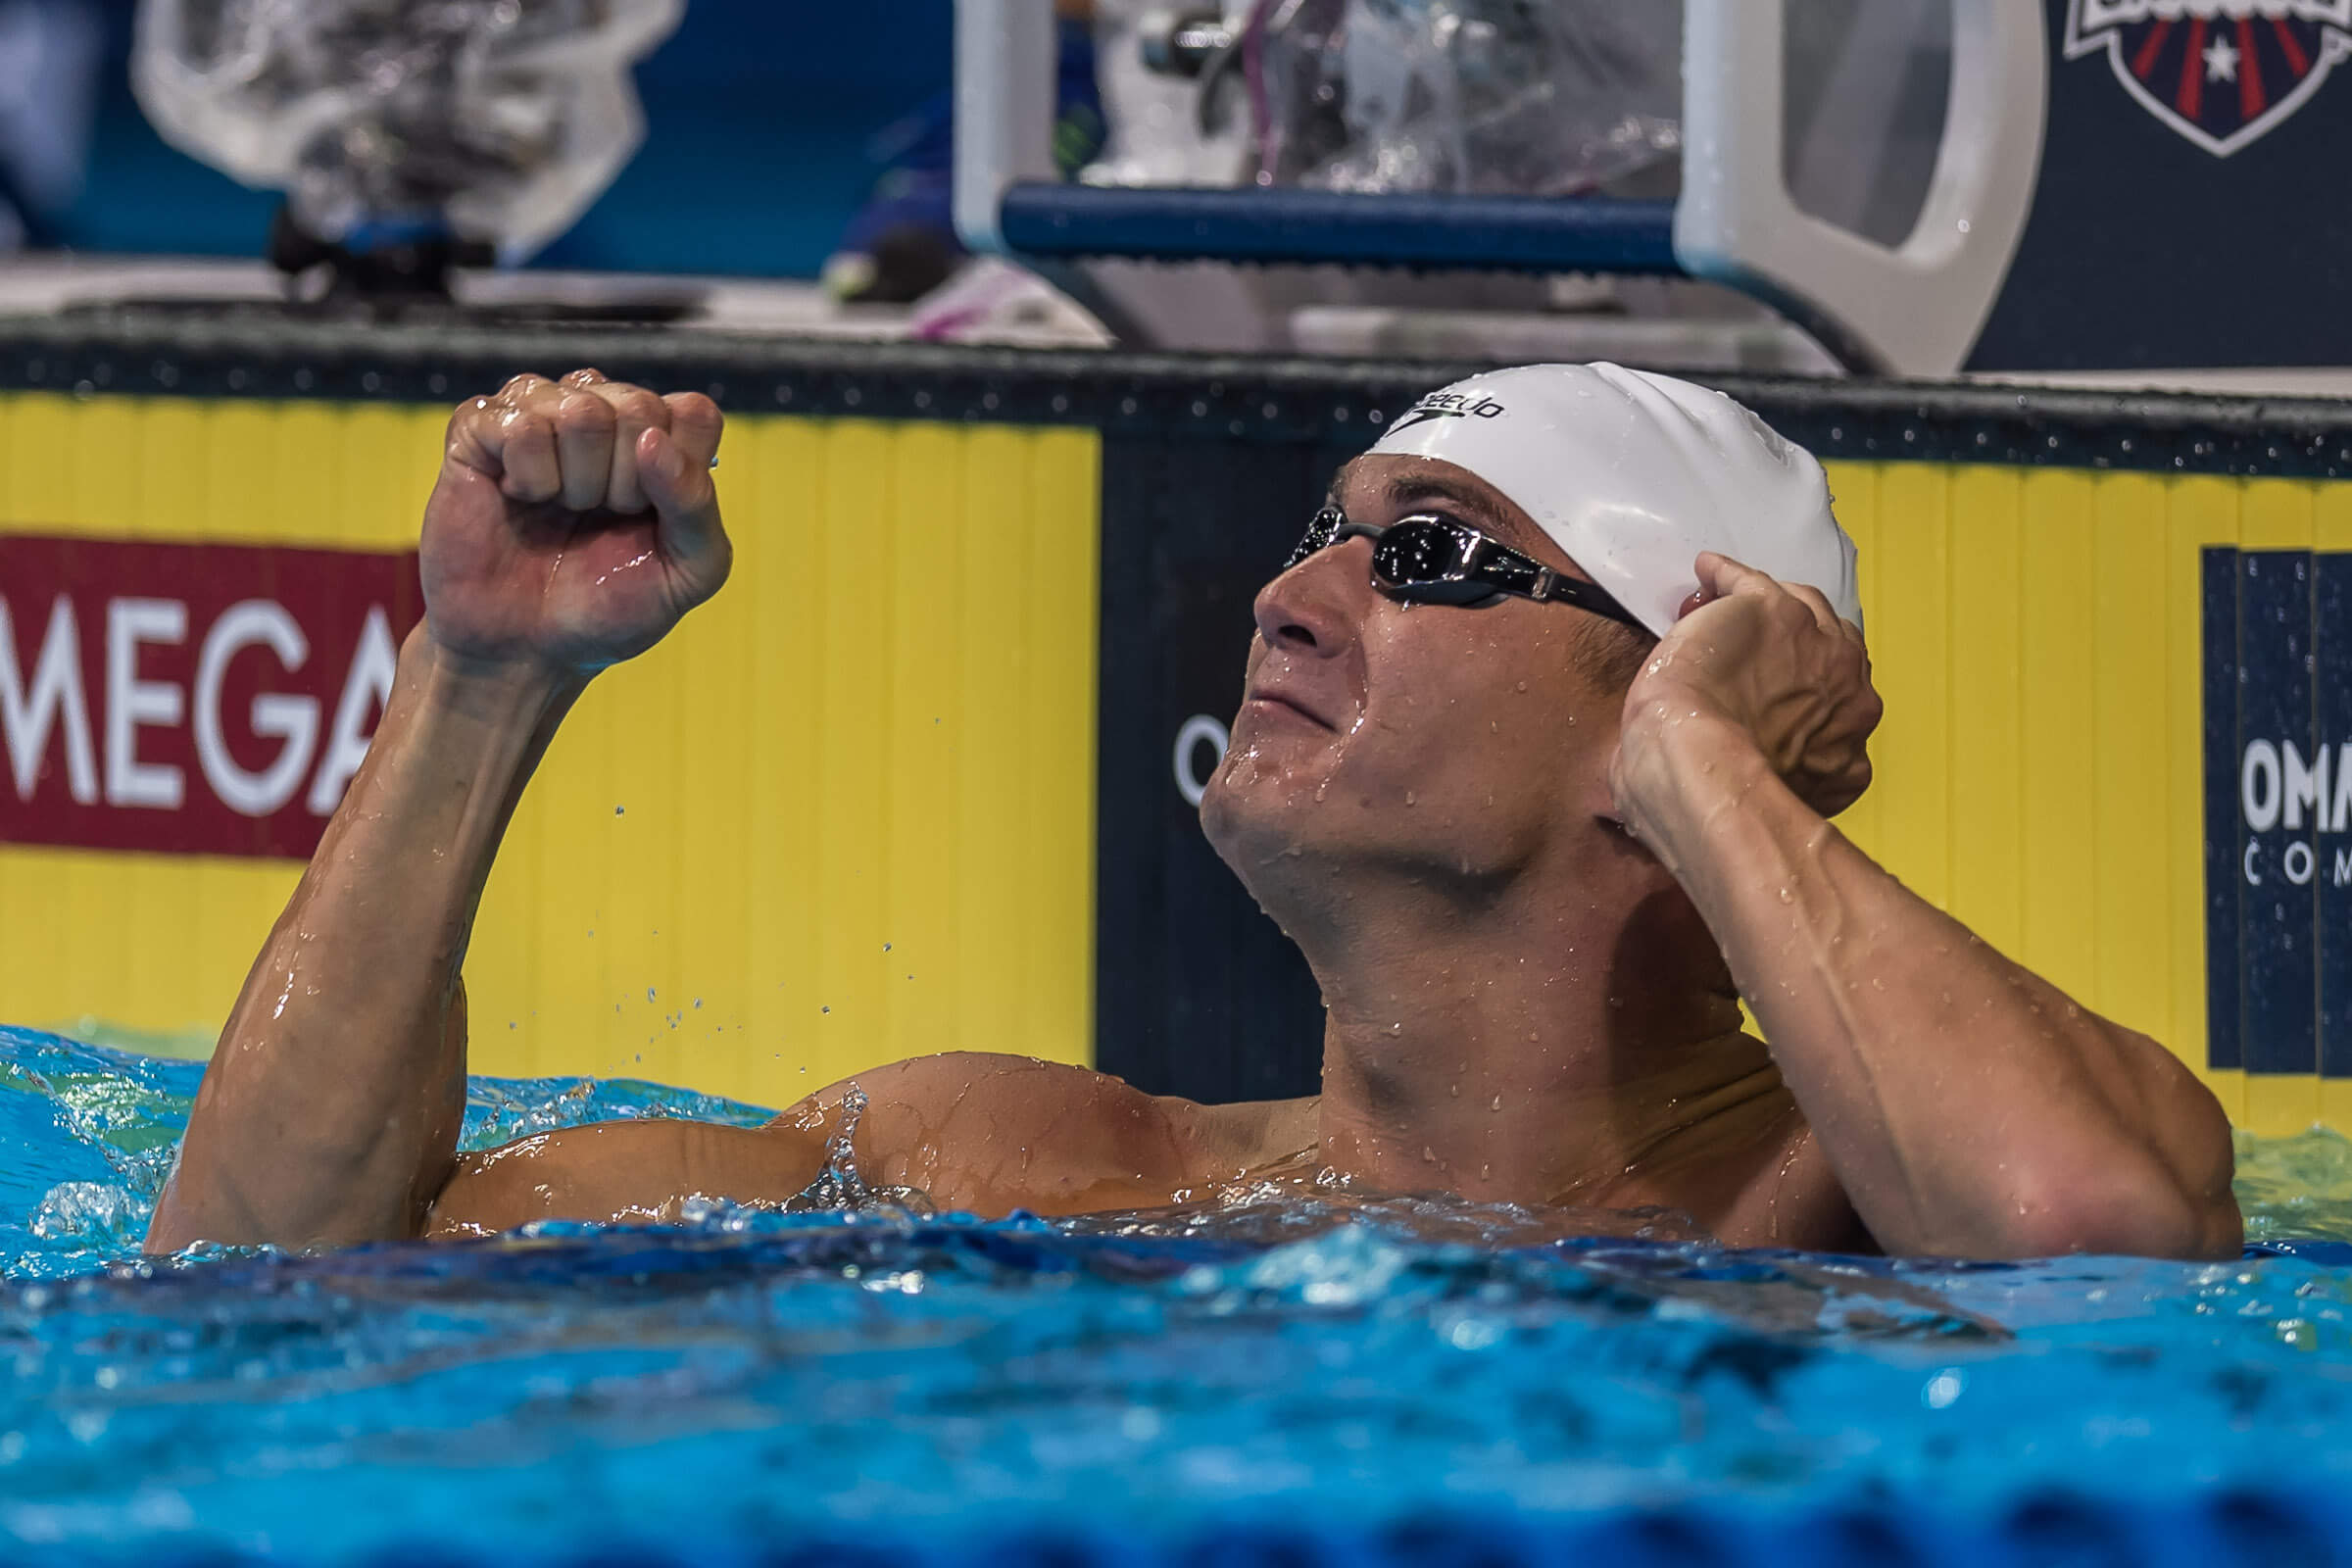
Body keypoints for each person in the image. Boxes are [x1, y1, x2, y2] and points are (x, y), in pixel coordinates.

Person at [143, 363, 2241, 1261]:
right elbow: (271, 1277)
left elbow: (2098, 1244)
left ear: (1685, 687)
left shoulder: (1838, 1205)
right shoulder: (1017, 1164)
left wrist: (1708, 776)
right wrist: (479, 681)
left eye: (1428, 557)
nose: (1288, 592)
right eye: (1319, 531)